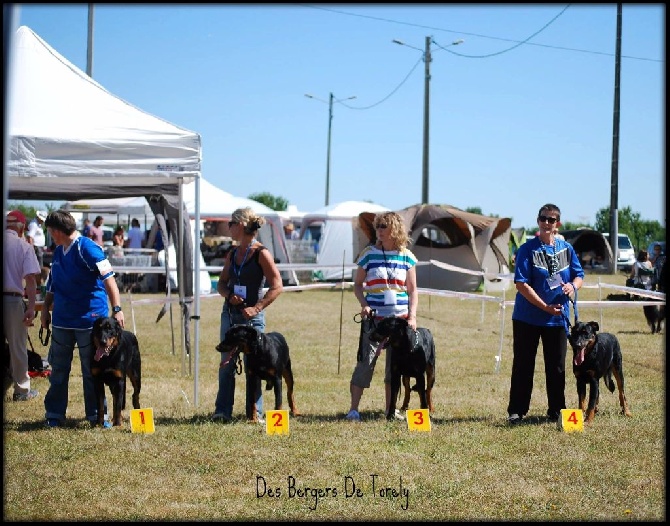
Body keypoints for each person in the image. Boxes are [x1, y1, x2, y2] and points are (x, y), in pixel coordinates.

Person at [40, 209, 125, 428]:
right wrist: (45, 309)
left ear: (57, 231)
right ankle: (54, 414)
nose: (49, 234)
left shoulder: (88, 248)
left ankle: (97, 415)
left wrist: (117, 308)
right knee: (58, 369)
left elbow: (109, 279)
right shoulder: (59, 252)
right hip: (62, 321)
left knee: (92, 371)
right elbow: (52, 285)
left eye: (50, 230)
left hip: (90, 322)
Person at [507, 203, 584, 425]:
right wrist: (544, 307)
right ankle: (517, 411)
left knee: (557, 366)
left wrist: (573, 286)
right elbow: (521, 284)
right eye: (543, 218)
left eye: (552, 220)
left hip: (557, 319)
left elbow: (579, 275)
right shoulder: (527, 249)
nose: (547, 223)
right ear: (538, 220)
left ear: (557, 223)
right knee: (523, 364)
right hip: (527, 318)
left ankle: (557, 411)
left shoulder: (566, 249)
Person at [345, 211, 418, 422]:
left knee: (394, 368)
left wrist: (412, 317)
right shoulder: (368, 254)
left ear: (395, 229)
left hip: (400, 321)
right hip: (375, 321)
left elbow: (412, 290)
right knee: (365, 364)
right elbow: (358, 285)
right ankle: (353, 409)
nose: (379, 230)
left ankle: (390, 410)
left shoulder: (407, 257)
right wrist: (364, 305)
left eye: (383, 226)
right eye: (377, 226)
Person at [213, 207, 284, 423]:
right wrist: (229, 295)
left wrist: (257, 308)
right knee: (226, 363)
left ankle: (255, 414)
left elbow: (277, 285)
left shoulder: (261, 253)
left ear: (241, 225)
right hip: (231, 316)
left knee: (255, 365)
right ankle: (222, 411)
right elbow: (221, 284)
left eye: (231, 224)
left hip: (252, 319)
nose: (228, 228)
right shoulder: (233, 253)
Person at [4, 210, 42, 402]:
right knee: (18, 347)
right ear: (20, 227)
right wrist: (31, 307)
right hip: (12, 300)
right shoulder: (24, 246)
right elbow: (31, 280)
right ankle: (21, 391)